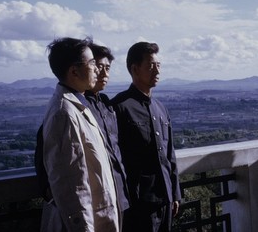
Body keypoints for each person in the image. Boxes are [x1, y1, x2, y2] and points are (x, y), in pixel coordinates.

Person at [40, 37, 119, 232]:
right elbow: (72, 186)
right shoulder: (64, 113)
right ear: (74, 71)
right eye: (92, 63)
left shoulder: (77, 104)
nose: (97, 69)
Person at [111, 41, 181, 232]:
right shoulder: (119, 107)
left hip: (165, 199)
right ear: (134, 69)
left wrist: (174, 194)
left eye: (158, 66)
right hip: (138, 202)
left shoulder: (160, 108)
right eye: (151, 66)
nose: (157, 71)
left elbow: (169, 155)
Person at [85, 44, 130, 218]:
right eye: (99, 67)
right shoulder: (75, 107)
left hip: (120, 194)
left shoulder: (106, 104)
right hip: (96, 201)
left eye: (107, 68)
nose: (104, 74)